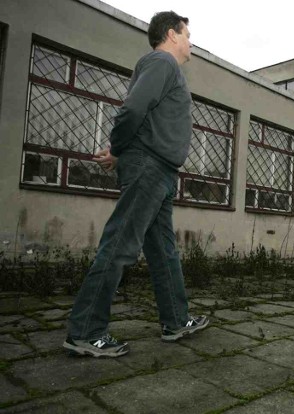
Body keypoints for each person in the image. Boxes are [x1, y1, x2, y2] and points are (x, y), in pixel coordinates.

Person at [63, 11, 208, 358]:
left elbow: (144, 115)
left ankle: (176, 320)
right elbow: (132, 110)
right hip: (149, 168)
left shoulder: (162, 67)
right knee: (120, 245)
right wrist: (118, 146)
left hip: (159, 170)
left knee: (163, 251)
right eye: (187, 34)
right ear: (172, 34)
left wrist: (120, 150)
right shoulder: (162, 62)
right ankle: (84, 331)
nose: (191, 42)